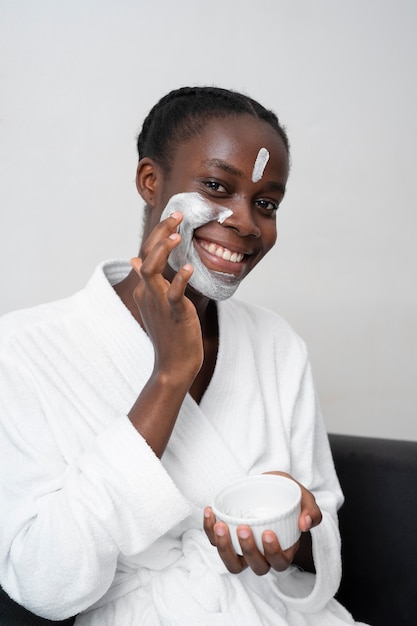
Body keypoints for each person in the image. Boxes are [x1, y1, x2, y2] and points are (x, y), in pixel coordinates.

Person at [0, 86, 368, 625]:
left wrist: (294, 529)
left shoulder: (277, 344)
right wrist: (169, 378)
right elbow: (46, 580)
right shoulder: (25, 348)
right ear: (151, 182)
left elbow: (320, 535)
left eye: (266, 203)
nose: (245, 222)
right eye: (217, 186)